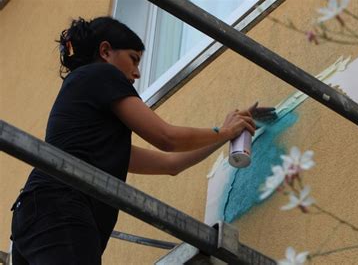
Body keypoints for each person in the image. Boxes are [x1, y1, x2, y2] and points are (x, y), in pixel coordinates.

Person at [10, 16, 274, 264]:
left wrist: (225, 134)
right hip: (59, 207)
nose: (137, 73)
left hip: (34, 214)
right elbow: (166, 138)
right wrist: (225, 132)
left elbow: (171, 164)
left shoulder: (93, 136)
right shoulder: (101, 74)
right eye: (133, 59)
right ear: (105, 52)